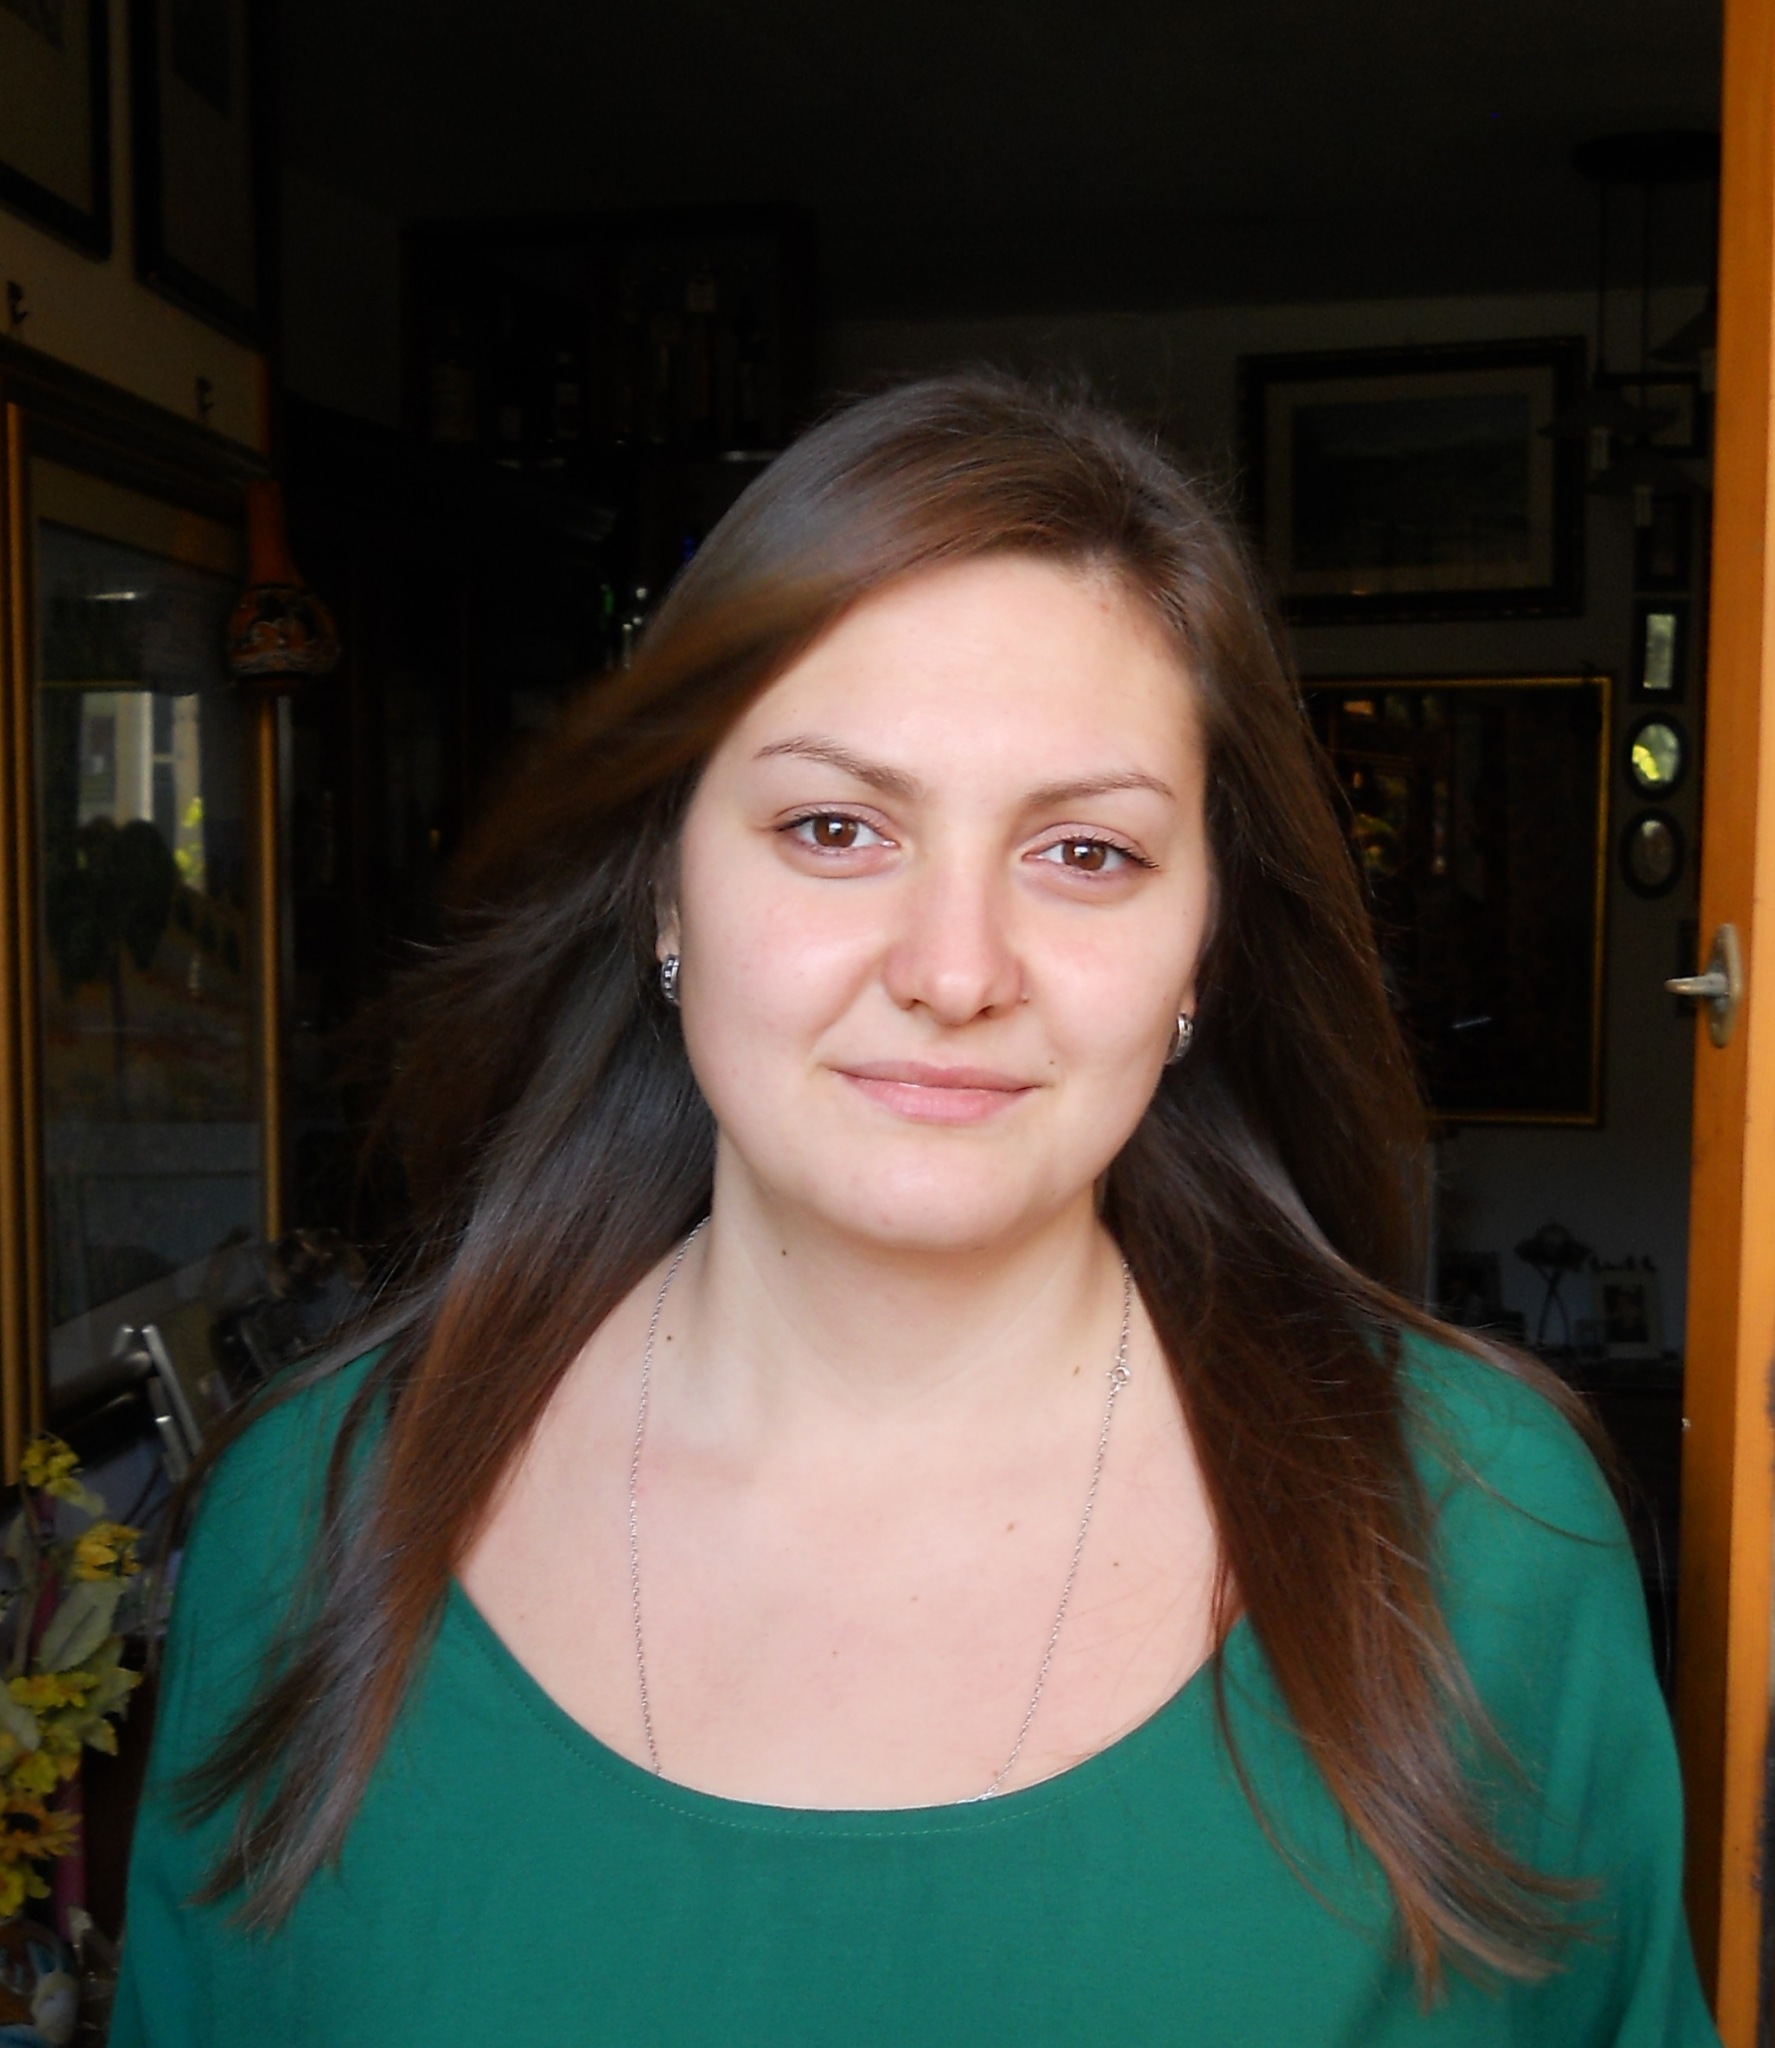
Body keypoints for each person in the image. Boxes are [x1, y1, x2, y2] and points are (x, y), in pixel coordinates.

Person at [110, 376, 1717, 2045]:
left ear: (1206, 943)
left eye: (1085, 853)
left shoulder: (1479, 1535)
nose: (955, 971)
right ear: (667, 885)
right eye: (833, 828)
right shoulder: (313, 1523)